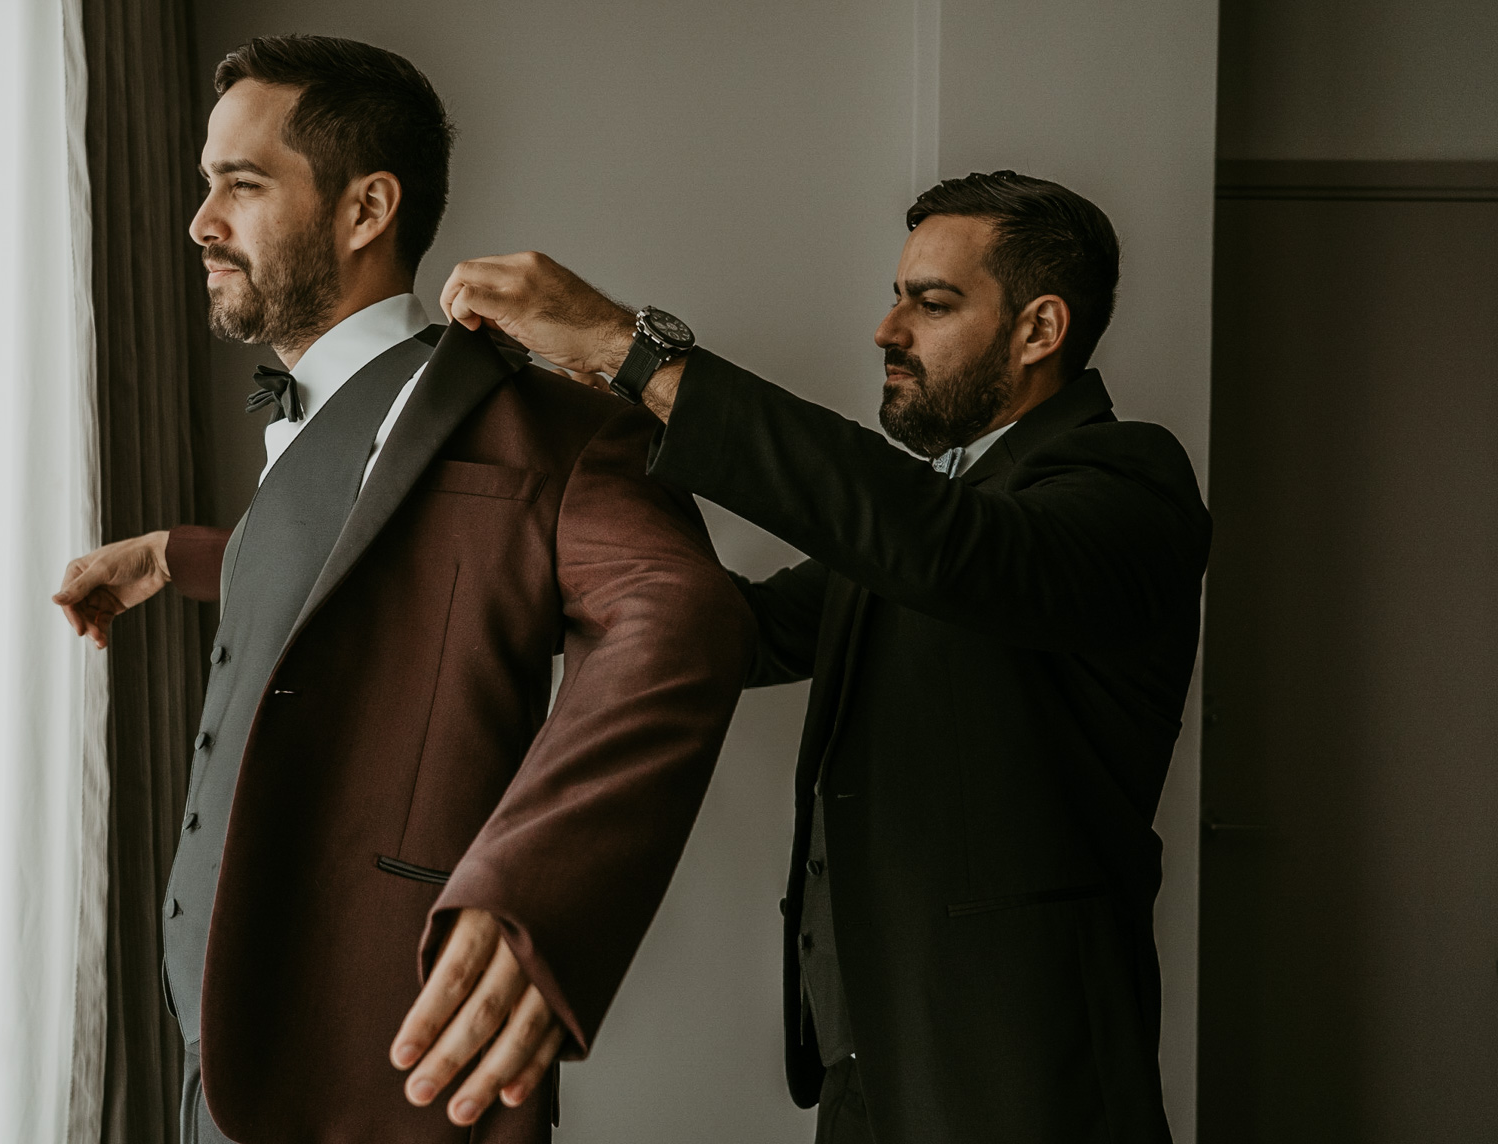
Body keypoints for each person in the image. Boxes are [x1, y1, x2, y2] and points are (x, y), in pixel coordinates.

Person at [51, 35, 752, 1144]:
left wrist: (539, 893)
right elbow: (371, 566)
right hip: (217, 1072)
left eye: (239, 184)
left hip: (393, 1078)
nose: (200, 221)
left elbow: (687, 613)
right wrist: (172, 557)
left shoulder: (555, 431)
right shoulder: (316, 419)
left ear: (367, 207)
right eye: (204, 184)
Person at [437, 171, 1212, 1143]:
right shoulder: (921, 519)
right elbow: (732, 627)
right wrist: (572, 482)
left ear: (1039, 330)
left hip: (1021, 1075)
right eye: (895, 297)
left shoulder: (1126, 482)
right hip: (865, 1064)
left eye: (930, 303)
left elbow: (948, 548)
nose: (887, 332)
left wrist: (633, 353)